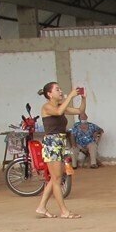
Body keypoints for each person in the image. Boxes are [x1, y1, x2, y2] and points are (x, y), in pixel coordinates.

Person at [36, 82, 83, 219]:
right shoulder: (47, 107)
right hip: (52, 144)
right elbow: (58, 112)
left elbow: (80, 111)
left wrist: (83, 98)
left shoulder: (60, 106)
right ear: (49, 94)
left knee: (55, 177)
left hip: (60, 143)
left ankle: (42, 207)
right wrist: (71, 96)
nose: (61, 91)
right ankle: (64, 211)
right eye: (57, 89)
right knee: (56, 179)